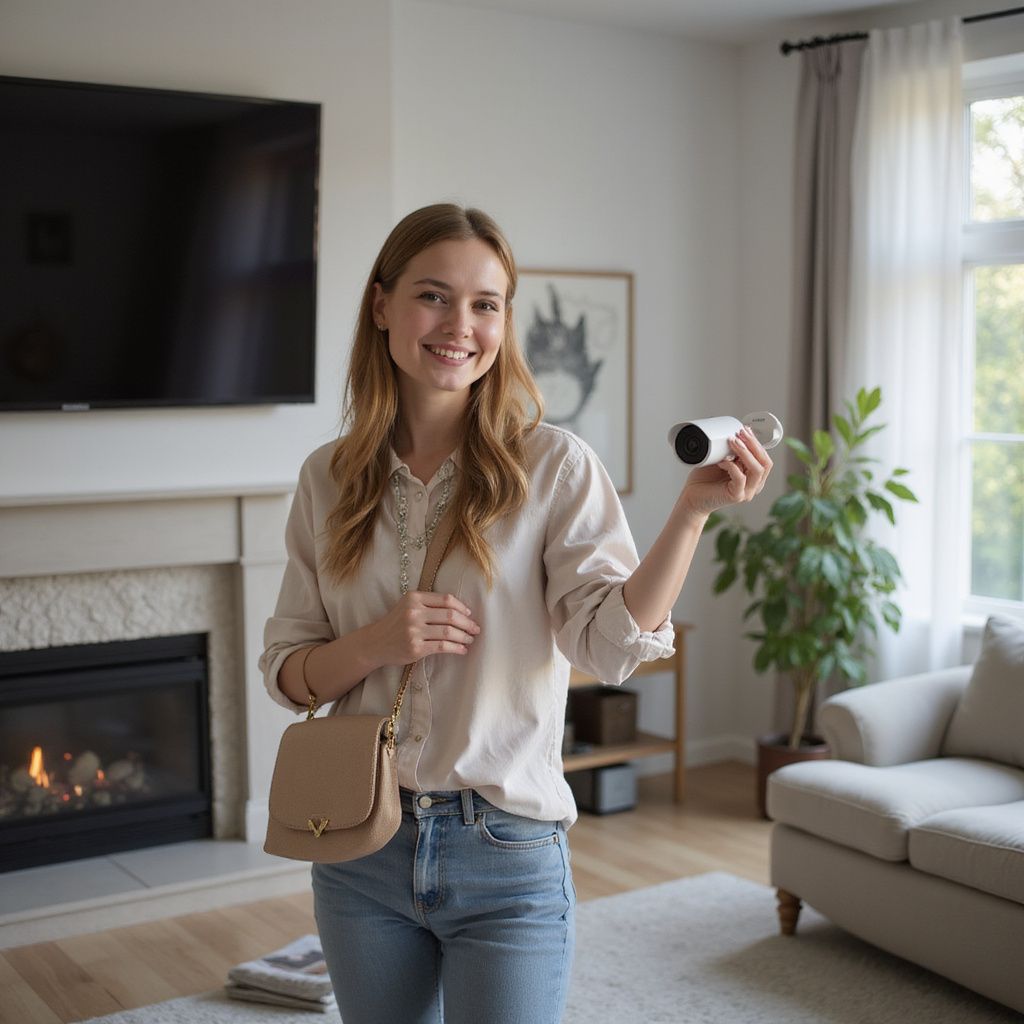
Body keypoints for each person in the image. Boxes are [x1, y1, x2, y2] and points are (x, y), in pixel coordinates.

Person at [257, 202, 773, 1024]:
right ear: (381, 305)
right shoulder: (327, 478)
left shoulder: (555, 465)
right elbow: (288, 670)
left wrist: (690, 515)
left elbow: (608, 646)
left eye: (485, 303)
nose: (459, 324)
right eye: (433, 296)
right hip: (360, 847)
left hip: (506, 849)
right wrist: (377, 644)